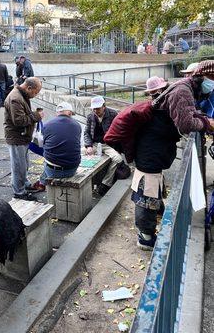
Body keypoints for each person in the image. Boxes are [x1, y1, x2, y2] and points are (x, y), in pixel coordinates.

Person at [131, 60, 214, 250]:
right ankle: (145, 236)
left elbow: (190, 114)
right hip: (150, 150)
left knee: (153, 187)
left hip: (156, 148)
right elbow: (186, 124)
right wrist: (207, 124)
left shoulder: (187, 89)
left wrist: (201, 120)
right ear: (205, 77)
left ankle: (154, 216)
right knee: (146, 191)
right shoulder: (182, 91)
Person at [4, 77, 43, 200]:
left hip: (22, 136)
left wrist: (32, 114)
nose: (35, 95)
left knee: (24, 164)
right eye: (35, 92)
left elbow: (22, 114)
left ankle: (24, 184)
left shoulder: (21, 95)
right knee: (18, 166)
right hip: (17, 137)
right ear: (29, 88)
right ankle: (19, 192)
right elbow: (19, 121)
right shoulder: (15, 98)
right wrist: (36, 116)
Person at [31, 101, 82, 191]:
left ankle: (42, 182)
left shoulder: (47, 125)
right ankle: (42, 182)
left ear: (57, 113)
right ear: (69, 113)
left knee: (48, 157)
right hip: (72, 168)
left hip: (53, 171)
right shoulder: (77, 125)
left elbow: (42, 144)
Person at [84, 96, 124, 196]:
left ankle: (105, 183)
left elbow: (119, 132)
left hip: (108, 144)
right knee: (78, 153)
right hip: (94, 144)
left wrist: (118, 148)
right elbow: (87, 133)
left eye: (97, 108)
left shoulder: (113, 114)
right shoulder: (90, 116)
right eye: (94, 108)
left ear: (104, 106)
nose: (95, 111)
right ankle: (86, 181)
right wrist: (88, 146)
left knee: (117, 159)